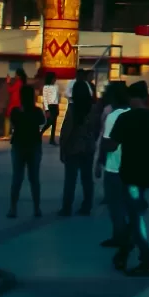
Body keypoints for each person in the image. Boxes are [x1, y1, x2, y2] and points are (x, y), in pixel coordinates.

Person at [108, 79, 149, 277]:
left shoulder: (125, 119)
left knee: (135, 217)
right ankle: (123, 253)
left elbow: (113, 144)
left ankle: (146, 259)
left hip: (129, 173)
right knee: (134, 213)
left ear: (133, 98)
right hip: (148, 173)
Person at [96, 81, 131, 248]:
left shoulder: (112, 116)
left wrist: (98, 161)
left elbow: (108, 144)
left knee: (114, 206)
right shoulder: (132, 113)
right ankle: (126, 236)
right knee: (126, 206)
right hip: (130, 167)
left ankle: (119, 238)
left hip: (113, 167)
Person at [58, 73, 98, 216]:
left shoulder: (72, 109)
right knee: (87, 179)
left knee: (70, 179)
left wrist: (62, 148)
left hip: (73, 148)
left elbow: (66, 131)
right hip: (88, 148)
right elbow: (97, 127)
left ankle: (67, 207)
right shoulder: (93, 109)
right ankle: (87, 205)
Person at [7, 84, 43, 218]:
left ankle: (13, 208)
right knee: (34, 178)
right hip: (34, 146)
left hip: (19, 145)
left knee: (17, 177)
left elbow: (14, 123)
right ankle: (36, 208)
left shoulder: (16, 111)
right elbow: (42, 121)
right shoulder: (37, 111)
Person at [4, 67, 26, 140]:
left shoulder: (18, 83)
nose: (15, 76)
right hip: (17, 103)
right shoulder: (21, 83)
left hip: (15, 103)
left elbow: (10, 90)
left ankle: (7, 135)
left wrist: (8, 82)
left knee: (9, 118)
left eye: (16, 75)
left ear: (19, 76)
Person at [41, 75, 61, 145]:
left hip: (55, 106)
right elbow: (45, 99)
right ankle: (40, 134)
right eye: (53, 79)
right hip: (50, 106)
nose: (55, 80)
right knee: (49, 122)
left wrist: (58, 106)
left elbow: (57, 98)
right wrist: (46, 109)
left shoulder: (56, 87)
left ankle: (52, 139)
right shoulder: (46, 87)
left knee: (54, 124)